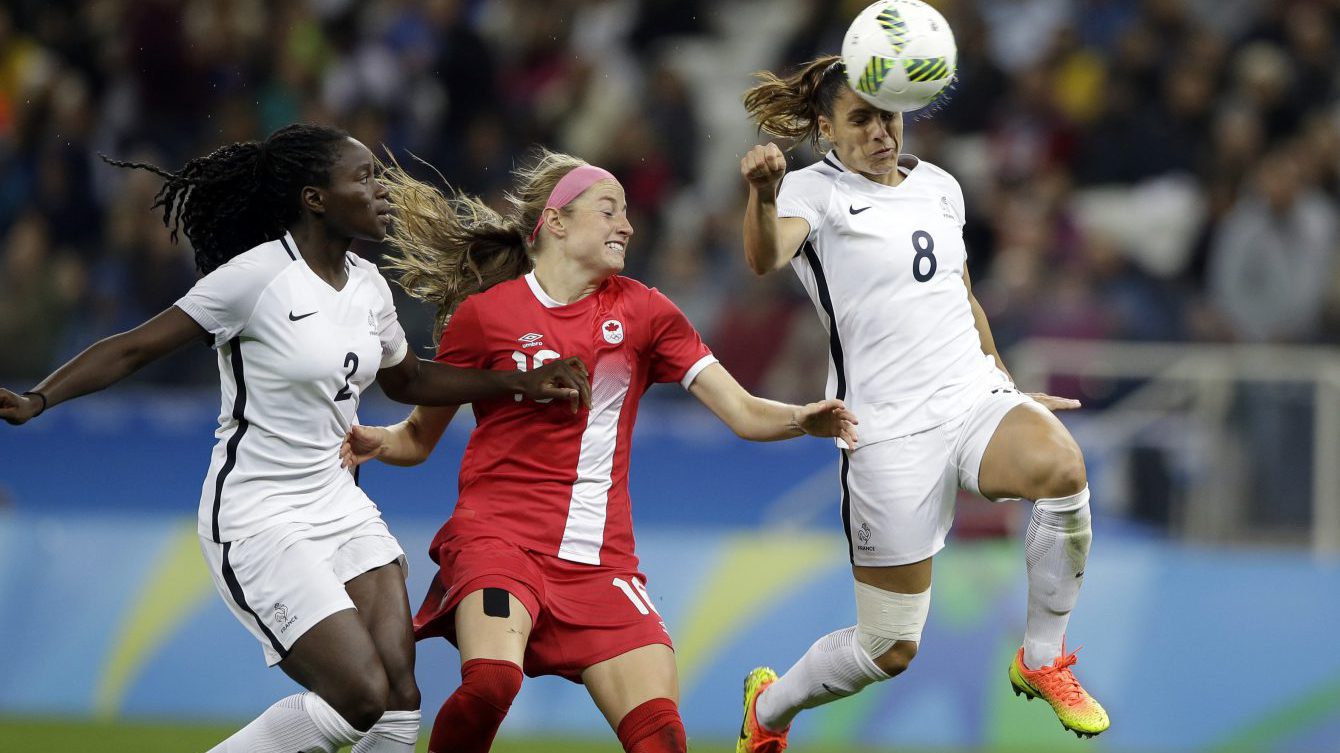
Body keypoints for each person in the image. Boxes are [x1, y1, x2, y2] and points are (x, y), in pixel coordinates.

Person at [0, 123, 590, 753]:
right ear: (315, 198)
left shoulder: (367, 285)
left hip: (340, 505)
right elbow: (137, 347)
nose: (379, 191)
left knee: (399, 702)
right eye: (361, 178)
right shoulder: (255, 279)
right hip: (258, 517)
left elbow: (410, 379)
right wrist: (39, 398)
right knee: (359, 695)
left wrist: (517, 383)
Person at [339, 148, 859, 753]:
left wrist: (803, 418)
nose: (628, 225)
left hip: (601, 563)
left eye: (628, 214)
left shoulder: (645, 312)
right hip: (498, 541)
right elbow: (419, 438)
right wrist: (379, 441)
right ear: (555, 222)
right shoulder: (485, 318)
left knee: (662, 739)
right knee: (490, 683)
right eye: (609, 210)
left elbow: (741, 411)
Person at [732, 55, 1109, 751]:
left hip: (968, 395)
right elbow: (763, 258)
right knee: (889, 645)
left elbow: (961, 297)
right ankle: (770, 707)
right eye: (862, 120)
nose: (882, 133)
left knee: (1062, 468)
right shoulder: (810, 191)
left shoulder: (939, 185)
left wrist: (1002, 382)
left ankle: (1042, 656)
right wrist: (760, 193)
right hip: (885, 430)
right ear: (826, 129)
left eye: (890, 116)